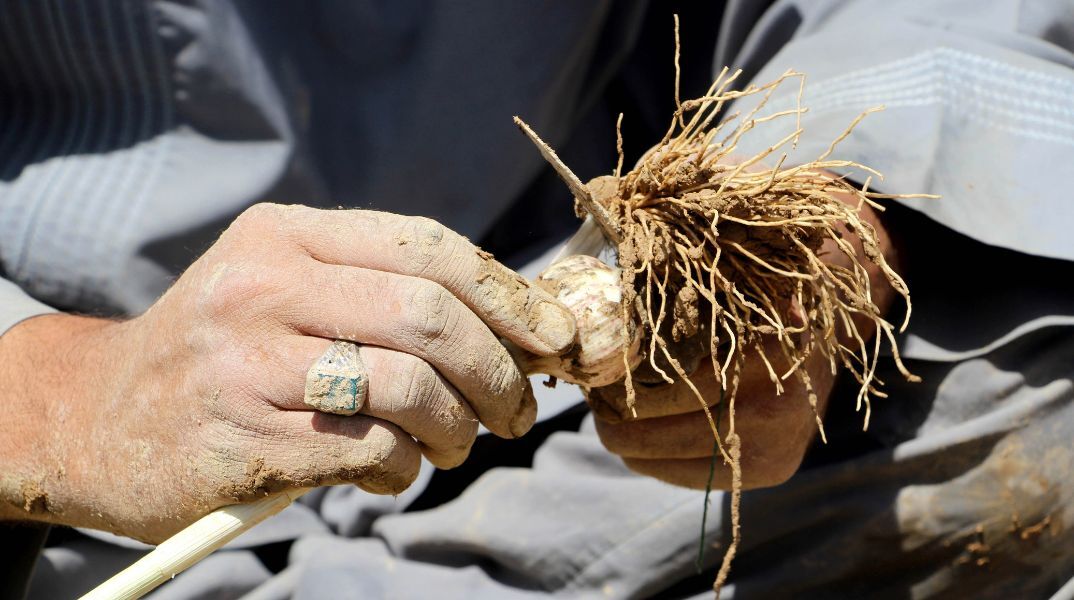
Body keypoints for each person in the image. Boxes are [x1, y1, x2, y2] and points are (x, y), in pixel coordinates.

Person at [2, 1, 1072, 598]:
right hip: (79, 520)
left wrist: (811, 241)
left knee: (1026, 400)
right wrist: (60, 403)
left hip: (555, 431)